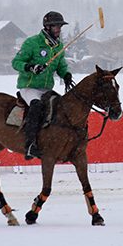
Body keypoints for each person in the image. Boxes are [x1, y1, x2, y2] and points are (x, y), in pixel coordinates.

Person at [11, 10, 74, 159]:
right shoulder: (32, 43)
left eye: (60, 26)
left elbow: (61, 66)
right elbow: (16, 62)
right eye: (56, 26)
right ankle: (30, 145)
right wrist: (30, 67)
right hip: (29, 87)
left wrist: (66, 75)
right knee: (37, 106)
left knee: (61, 107)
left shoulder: (59, 47)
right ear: (47, 27)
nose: (59, 29)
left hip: (46, 88)